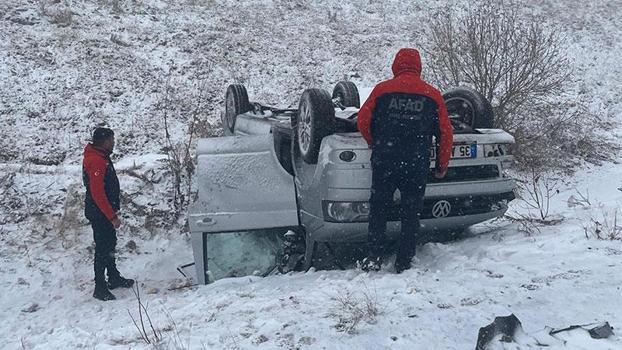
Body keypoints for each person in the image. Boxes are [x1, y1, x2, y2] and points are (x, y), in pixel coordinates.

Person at [357, 48, 453, 273]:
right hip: (416, 163)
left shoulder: (382, 90)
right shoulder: (432, 94)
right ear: (418, 66)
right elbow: (445, 133)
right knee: (411, 214)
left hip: (385, 161)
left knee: (379, 210)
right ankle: (404, 261)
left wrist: (374, 140)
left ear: (395, 66)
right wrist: (442, 164)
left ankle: (374, 257)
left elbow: (362, 119)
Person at [83, 127, 134, 300]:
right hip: (100, 213)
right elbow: (97, 193)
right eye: (112, 140)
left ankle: (113, 277)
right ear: (104, 141)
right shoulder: (97, 160)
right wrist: (111, 216)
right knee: (103, 248)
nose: (114, 143)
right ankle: (100, 287)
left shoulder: (100, 157)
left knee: (109, 243)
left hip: (103, 211)